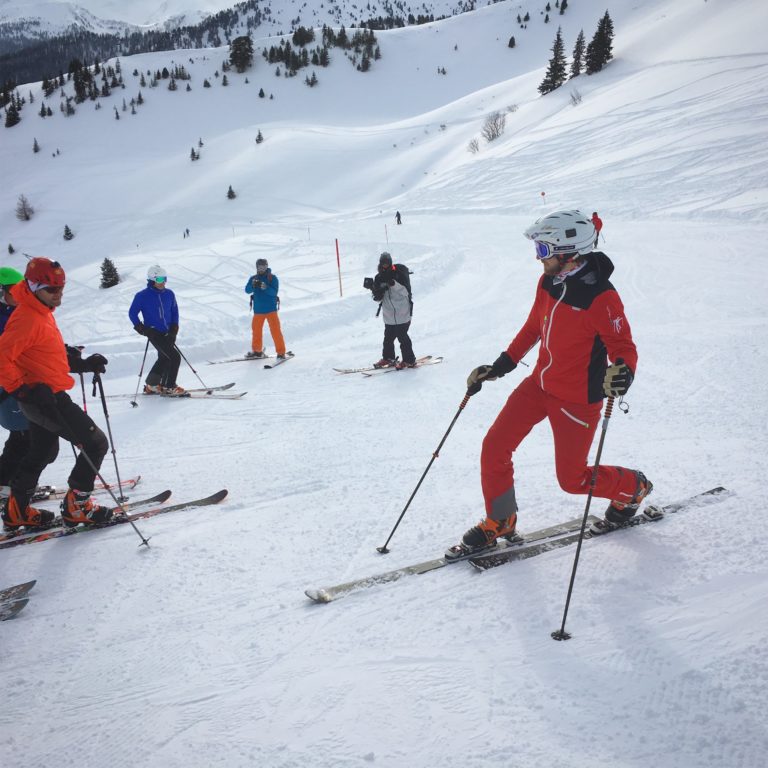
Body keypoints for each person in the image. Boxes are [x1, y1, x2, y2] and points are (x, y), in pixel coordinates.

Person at [450, 209, 651, 557]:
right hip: (538, 387)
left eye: (543, 250)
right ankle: (501, 519)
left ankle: (632, 487)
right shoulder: (548, 283)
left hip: (578, 399)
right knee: (495, 446)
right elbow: (533, 328)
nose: (538, 258)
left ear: (569, 252)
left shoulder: (601, 297)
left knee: (572, 480)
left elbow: (623, 346)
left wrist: (623, 371)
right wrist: (501, 365)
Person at [0, 257, 111, 529]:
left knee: (42, 450)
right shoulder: (27, 318)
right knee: (96, 443)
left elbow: (45, 355)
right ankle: (78, 507)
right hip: (43, 398)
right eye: (52, 289)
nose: (58, 294)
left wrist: (83, 364)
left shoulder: (41, 310)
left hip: (44, 395)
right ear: (33, 286)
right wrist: (23, 391)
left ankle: (17, 510)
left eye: (61, 288)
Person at [129, 265, 184, 394]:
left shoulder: (169, 294)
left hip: (168, 332)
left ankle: (152, 385)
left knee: (164, 358)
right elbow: (132, 313)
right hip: (154, 333)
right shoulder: (142, 296)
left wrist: (174, 329)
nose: (163, 282)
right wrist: (143, 329)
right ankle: (169, 387)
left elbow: (174, 312)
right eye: (159, 279)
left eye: (164, 279)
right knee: (174, 357)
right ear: (152, 280)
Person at [0, 267, 30, 487]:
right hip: (9, 386)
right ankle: (5, 482)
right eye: (14, 290)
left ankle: (9, 479)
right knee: (23, 436)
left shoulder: (15, 313)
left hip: (22, 382)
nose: (20, 294)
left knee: (24, 435)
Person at [369, 251, 416, 370]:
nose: (385, 265)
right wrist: (374, 289)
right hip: (389, 314)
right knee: (388, 338)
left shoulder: (398, 274)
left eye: (387, 263)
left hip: (402, 311)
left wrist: (394, 284)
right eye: (383, 263)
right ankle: (388, 358)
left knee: (402, 336)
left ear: (390, 263)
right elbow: (378, 298)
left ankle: (409, 360)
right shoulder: (379, 277)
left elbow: (406, 292)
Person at [244, 258, 287, 359]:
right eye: (260, 267)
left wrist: (265, 287)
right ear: (257, 267)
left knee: (275, 331)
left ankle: (281, 352)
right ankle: (257, 351)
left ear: (267, 267)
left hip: (271, 310)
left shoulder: (273, 278)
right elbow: (247, 290)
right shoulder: (253, 278)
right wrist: (253, 285)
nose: (261, 269)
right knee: (256, 331)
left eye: (263, 267)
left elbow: (274, 292)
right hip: (258, 310)